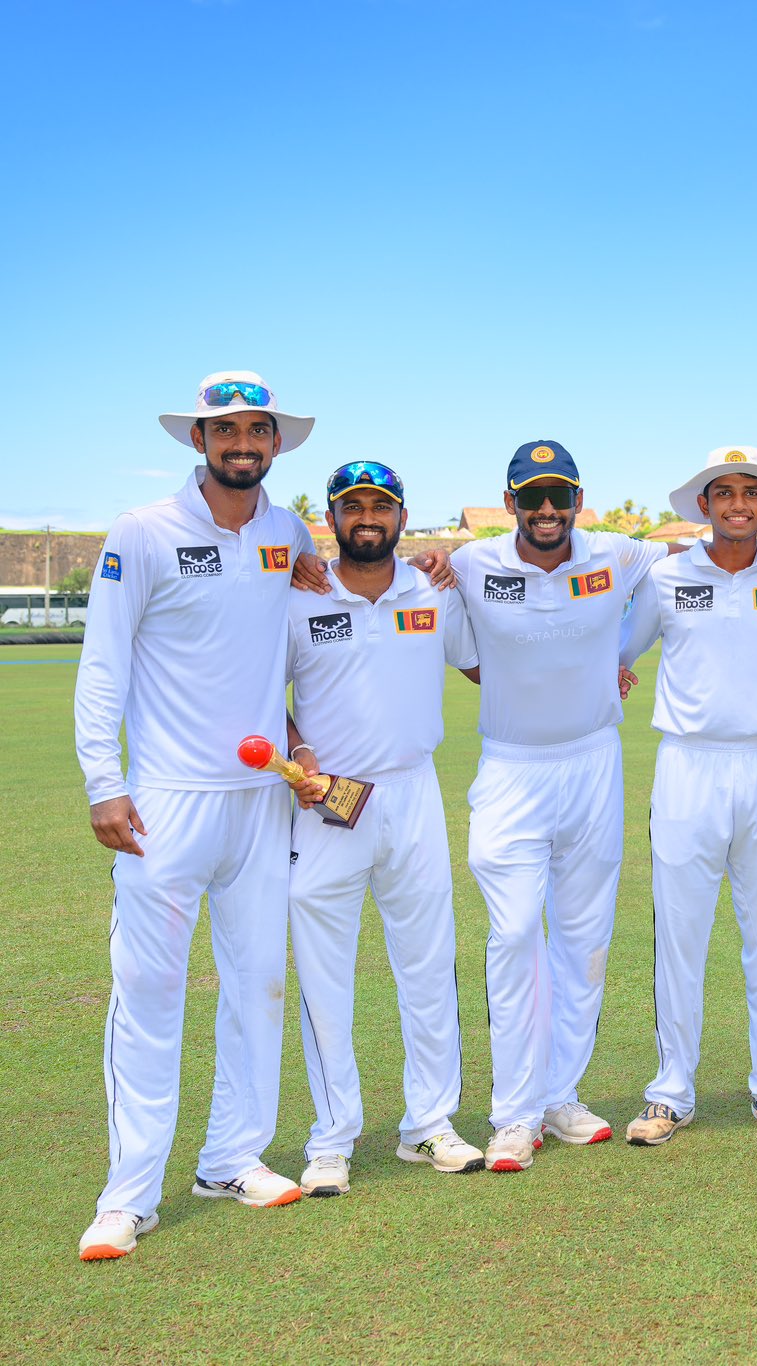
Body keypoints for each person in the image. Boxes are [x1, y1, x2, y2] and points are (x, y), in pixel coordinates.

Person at [74, 371, 318, 1259]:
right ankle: (128, 1195)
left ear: (276, 443)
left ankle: (230, 1158)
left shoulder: (287, 534)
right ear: (199, 441)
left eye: (257, 431)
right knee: (148, 994)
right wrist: (104, 782)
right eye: (226, 431)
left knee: (257, 987)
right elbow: (104, 664)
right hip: (165, 803)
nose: (242, 444)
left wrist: (297, 739)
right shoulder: (142, 533)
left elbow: (286, 645)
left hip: (259, 802)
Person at [449, 440, 675, 1172]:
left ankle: (559, 1095)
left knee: (583, 941)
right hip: (511, 768)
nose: (546, 510)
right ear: (509, 502)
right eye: (531, 497)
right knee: (515, 933)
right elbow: (458, 645)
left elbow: (702, 553)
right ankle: (513, 1116)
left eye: (559, 496)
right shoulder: (471, 564)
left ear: (579, 501)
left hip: (592, 763)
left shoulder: (615, 554)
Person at [283, 461, 485, 1196]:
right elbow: (259, 693)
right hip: (328, 802)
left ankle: (429, 1123)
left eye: (381, 506)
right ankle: (331, 1139)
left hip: (412, 790)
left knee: (428, 964)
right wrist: (298, 753)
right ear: (332, 519)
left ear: (401, 516)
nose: (367, 517)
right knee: (324, 974)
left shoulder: (432, 590)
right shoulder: (297, 597)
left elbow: (482, 665)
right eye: (352, 506)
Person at [615, 446, 757, 1144]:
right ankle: (671, 1091)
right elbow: (619, 649)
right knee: (680, 935)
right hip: (687, 766)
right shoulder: (667, 577)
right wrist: (610, 674)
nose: (737, 504)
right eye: (723, 492)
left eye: (750, 493)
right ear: (704, 505)